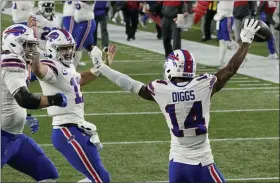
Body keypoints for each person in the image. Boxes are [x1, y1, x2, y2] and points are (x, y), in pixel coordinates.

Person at [90, 19, 260, 183]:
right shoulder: (204, 85)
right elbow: (230, 68)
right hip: (202, 163)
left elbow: (129, 84)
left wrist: (102, 67)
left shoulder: (161, 89)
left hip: (177, 165)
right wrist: (246, 41)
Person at [31, 29, 110, 183]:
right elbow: (39, 70)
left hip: (78, 127)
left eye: (69, 47)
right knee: (100, 178)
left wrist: (103, 67)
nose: (68, 52)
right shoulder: (51, 65)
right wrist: (34, 48)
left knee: (98, 177)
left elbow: (79, 79)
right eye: (63, 48)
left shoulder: (66, 66)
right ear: (53, 49)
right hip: (66, 129)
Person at [1, 24, 67, 182]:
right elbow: (25, 99)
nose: (32, 50)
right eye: (28, 45)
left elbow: (8, 96)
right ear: (13, 43)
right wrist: (54, 99)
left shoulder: (12, 61)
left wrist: (25, 115)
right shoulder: (11, 63)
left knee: (48, 175)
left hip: (14, 137)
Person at [214, 1, 239, 68]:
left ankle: (241, 57)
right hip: (219, 18)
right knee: (221, 41)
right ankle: (221, 62)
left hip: (227, 18)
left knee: (228, 40)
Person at [72, 0, 96, 67]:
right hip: (81, 23)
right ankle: (100, 65)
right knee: (89, 47)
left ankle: (73, 68)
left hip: (87, 23)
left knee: (77, 46)